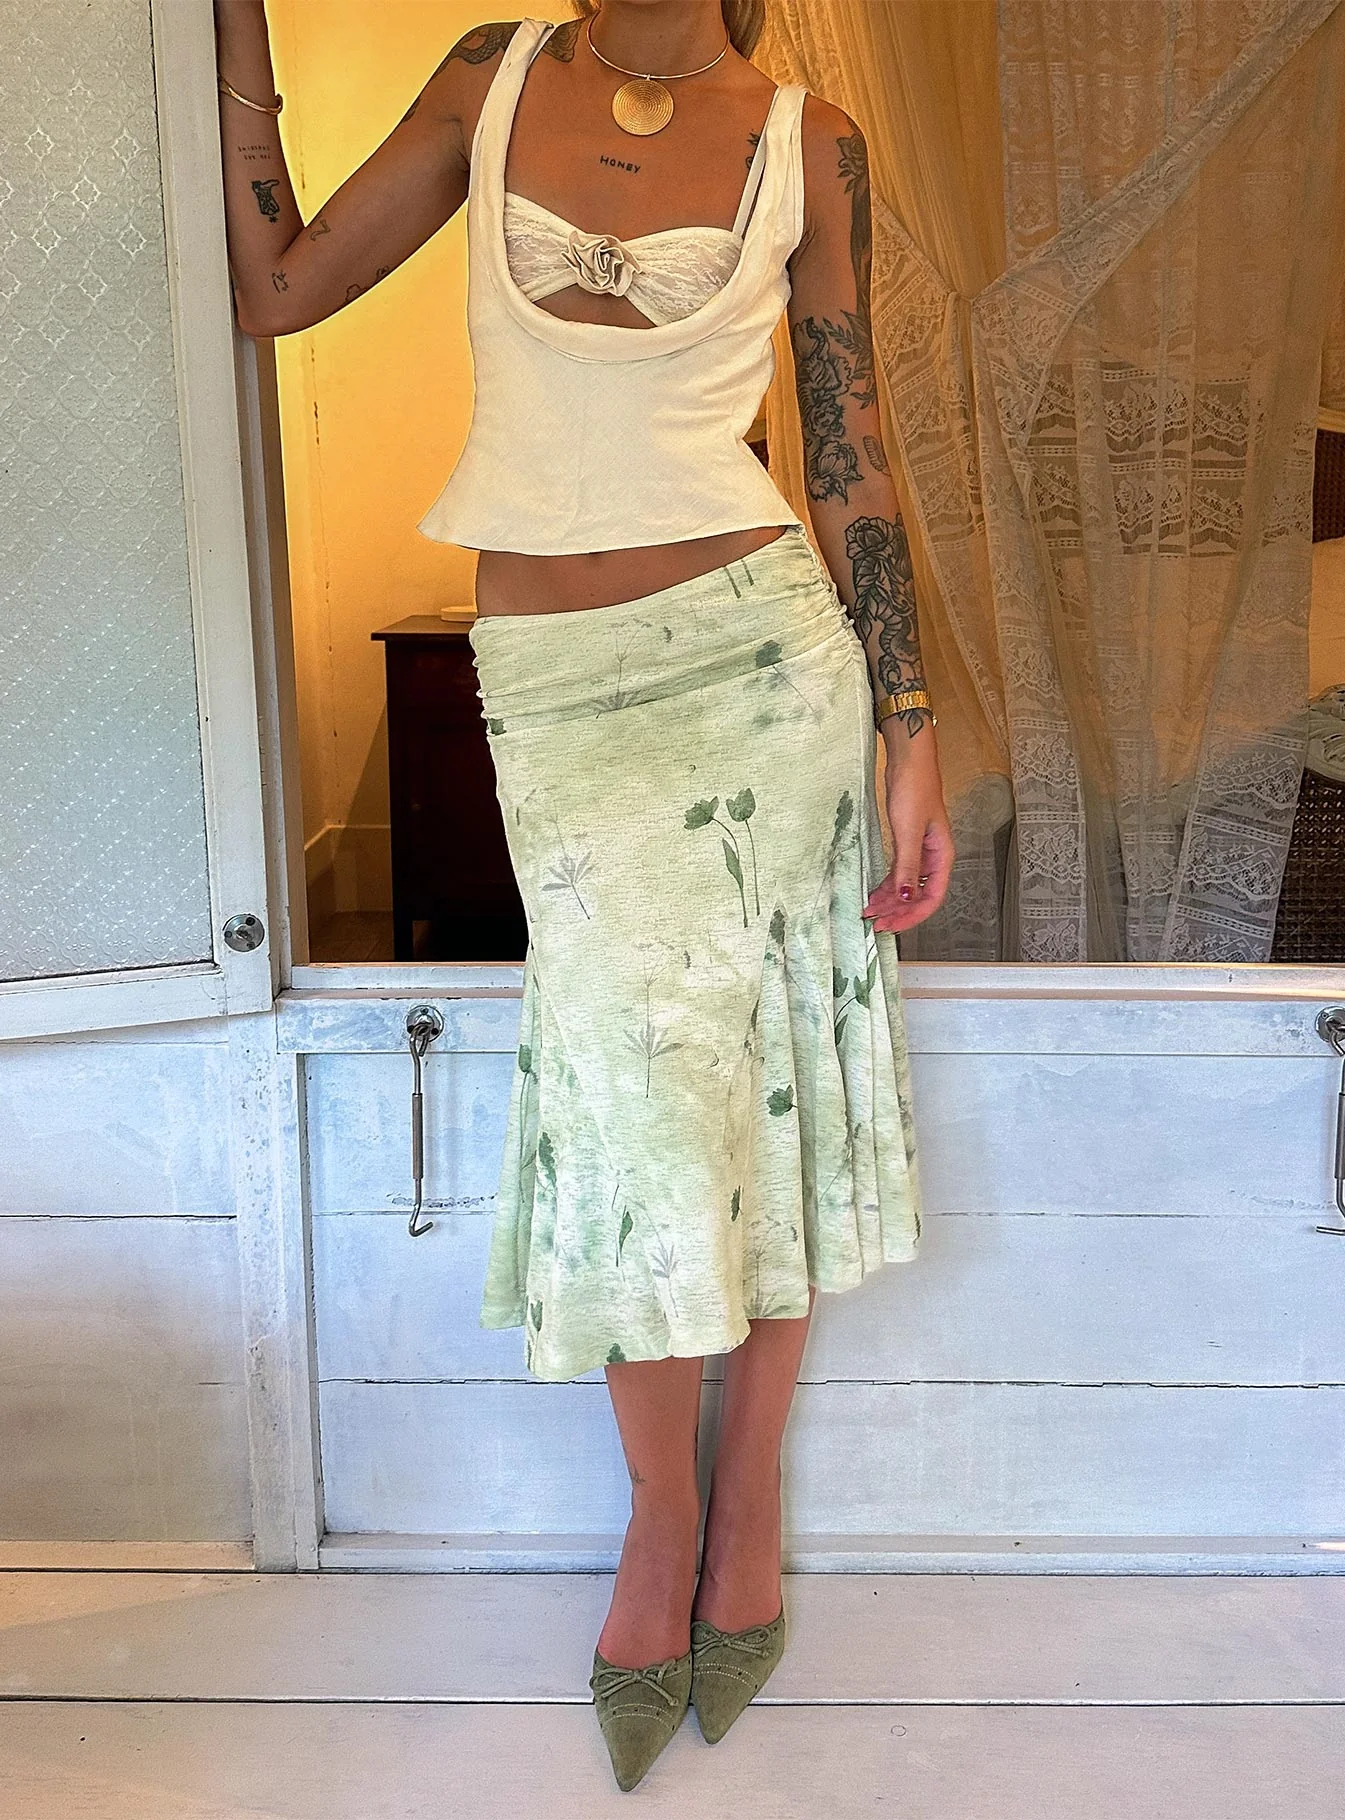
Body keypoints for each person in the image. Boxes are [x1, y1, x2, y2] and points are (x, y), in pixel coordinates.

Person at [214, 0, 954, 1791]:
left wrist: (910, 723)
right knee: (632, 1104)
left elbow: (849, 460)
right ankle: (658, 1514)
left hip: (768, 664)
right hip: (557, 692)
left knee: (766, 1084)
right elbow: (281, 290)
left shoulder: (810, 140)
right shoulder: (492, 75)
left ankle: (742, 1503)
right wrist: (232, 32)